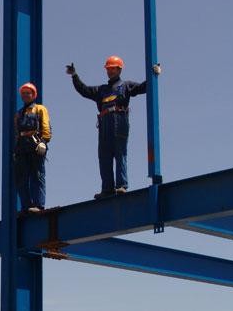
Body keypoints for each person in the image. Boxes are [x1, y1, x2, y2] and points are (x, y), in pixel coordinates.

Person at [66, 56, 161, 199]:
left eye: (113, 69)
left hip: (119, 122)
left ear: (119, 70)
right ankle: (107, 189)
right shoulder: (101, 90)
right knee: (104, 156)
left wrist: (154, 75)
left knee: (120, 152)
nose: (110, 71)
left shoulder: (126, 85)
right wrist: (74, 75)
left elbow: (143, 87)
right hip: (104, 125)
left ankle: (121, 185)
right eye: (108, 69)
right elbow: (84, 90)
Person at [14, 82, 51, 213]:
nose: (25, 95)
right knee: (21, 178)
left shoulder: (40, 109)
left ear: (33, 95)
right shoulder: (19, 113)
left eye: (28, 93)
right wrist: (15, 150)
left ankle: (38, 205)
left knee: (37, 175)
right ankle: (26, 206)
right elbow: (16, 133)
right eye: (23, 93)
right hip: (22, 147)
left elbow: (46, 127)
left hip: (35, 145)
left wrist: (44, 142)